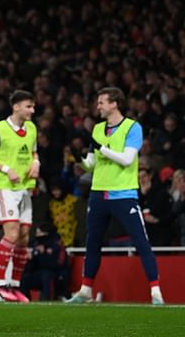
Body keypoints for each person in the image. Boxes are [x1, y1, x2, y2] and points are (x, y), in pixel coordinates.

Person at [67, 87, 164, 305]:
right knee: (92, 242)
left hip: (124, 194)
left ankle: (156, 293)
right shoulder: (98, 129)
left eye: (101, 102)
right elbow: (92, 165)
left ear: (114, 104)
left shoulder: (133, 127)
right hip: (99, 193)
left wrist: (102, 148)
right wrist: (79, 160)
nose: (98, 106)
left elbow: (128, 159)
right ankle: (85, 291)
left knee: (141, 242)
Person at [0, 90, 40, 303]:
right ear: (16, 107)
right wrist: (6, 168)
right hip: (5, 187)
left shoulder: (31, 128)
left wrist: (36, 163)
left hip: (25, 188)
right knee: (12, 232)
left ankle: (14, 286)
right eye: (29, 106)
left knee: (24, 237)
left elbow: (33, 152)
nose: (32, 110)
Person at [18, 222, 70, 301]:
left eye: (39, 233)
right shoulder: (36, 245)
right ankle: (25, 300)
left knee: (46, 275)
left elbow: (58, 265)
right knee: (25, 278)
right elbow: (32, 266)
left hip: (58, 276)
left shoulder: (57, 246)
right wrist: (31, 258)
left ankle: (48, 300)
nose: (37, 236)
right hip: (41, 275)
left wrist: (42, 254)